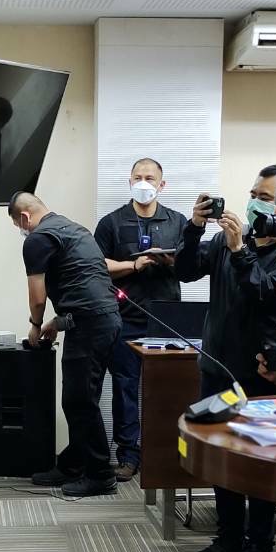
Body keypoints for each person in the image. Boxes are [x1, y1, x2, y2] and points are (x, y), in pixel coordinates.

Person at [176, 165, 276, 552]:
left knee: (257, 461)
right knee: (223, 455)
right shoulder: (225, 241)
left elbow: (268, 295)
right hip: (216, 365)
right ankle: (229, 537)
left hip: (261, 373)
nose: (254, 202)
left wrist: (240, 250)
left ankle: (261, 548)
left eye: (265, 196)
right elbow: (184, 271)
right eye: (253, 193)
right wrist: (194, 227)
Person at [10, 192, 122, 498]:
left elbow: (37, 297)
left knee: (79, 401)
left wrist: (35, 325)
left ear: (24, 218)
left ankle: (100, 475)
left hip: (90, 324)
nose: (21, 230)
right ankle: (74, 464)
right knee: (81, 398)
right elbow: (83, 283)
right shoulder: (74, 229)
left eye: (18, 225)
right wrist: (57, 323)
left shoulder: (37, 238)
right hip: (103, 320)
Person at [93, 158, 187, 482]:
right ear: (129, 182)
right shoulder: (112, 222)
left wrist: (170, 260)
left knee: (168, 389)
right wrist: (133, 266)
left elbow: (191, 266)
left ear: (162, 185)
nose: (143, 183)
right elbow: (97, 265)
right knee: (125, 387)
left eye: (150, 177)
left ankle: (165, 452)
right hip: (125, 317)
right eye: (137, 177)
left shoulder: (177, 221)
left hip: (168, 319)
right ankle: (128, 455)